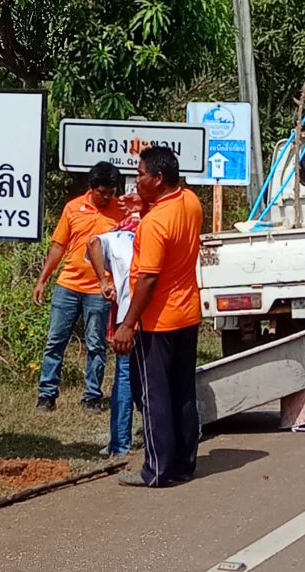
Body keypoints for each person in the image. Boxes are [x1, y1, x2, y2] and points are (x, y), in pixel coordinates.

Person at [109, 143, 204, 487]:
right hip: (187, 314)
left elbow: (147, 277)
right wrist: (144, 205)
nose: (136, 182)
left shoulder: (154, 224)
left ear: (158, 178)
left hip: (158, 321)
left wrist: (128, 324)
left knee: (153, 395)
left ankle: (157, 469)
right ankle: (183, 462)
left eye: (140, 175)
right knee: (182, 391)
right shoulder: (190, 202)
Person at [32, 161, 125, 414]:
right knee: (55, 341)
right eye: (101, 192)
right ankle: (46, 395)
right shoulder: (73, 208)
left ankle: (92, 396)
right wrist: (43, 279)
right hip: (68, 286)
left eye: (110, 193)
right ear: (91, 188)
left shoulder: (121, 211)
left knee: (95, 343)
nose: (106, 197)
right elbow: (58, 246)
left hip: (100, 289)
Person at [85, 194, 142, 460]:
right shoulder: (154, 229)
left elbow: (92, 242)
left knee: (124, 376)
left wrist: (103, 282)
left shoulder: (117, 237)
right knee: (158, 376)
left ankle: (120, 444)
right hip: (159, 316)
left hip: (128, 317)